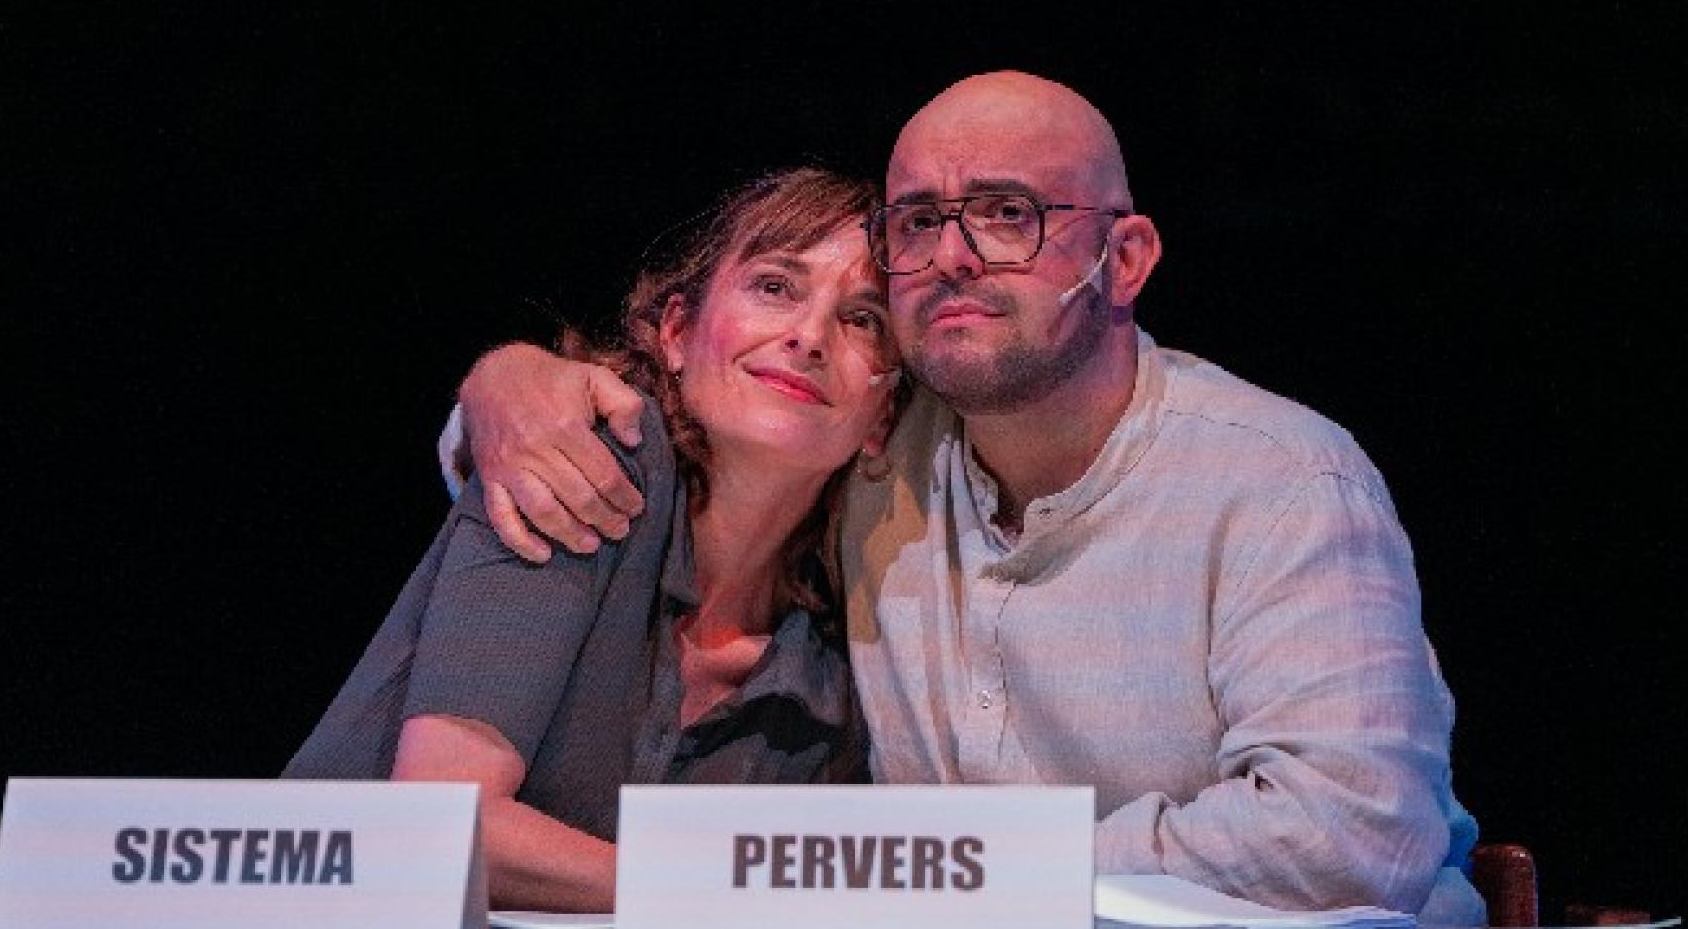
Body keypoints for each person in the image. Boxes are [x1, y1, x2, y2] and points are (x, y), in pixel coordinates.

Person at [448, 72, 1486, 923]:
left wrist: (966, 869)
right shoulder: (873, 443)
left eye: (1005, 214)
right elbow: (667, 417)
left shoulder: (1279, 481)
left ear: (1123, 258)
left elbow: (1352, 834)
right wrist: (503, 388)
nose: (951, 256)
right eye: (916, 221)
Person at [286, 168, 901, 912]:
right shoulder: (582, 460)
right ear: (677, 333)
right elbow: (441, 825)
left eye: (864, 319)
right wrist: (730, 894)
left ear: (883, 416)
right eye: (775, 286)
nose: (810, 337)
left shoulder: (838, 666)